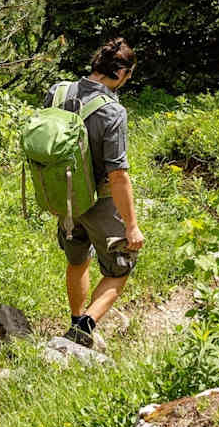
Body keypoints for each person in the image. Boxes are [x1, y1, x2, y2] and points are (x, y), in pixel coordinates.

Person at [44, 37, 145, 348]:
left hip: (63, 197)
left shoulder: (57, 92)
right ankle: (84, 328)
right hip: (99, 202)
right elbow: (117, 175)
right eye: (128, 76)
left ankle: (76, 320)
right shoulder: (113, 112)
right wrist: (131, 226)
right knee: (121, 265)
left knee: (77, 260)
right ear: (120, 73)